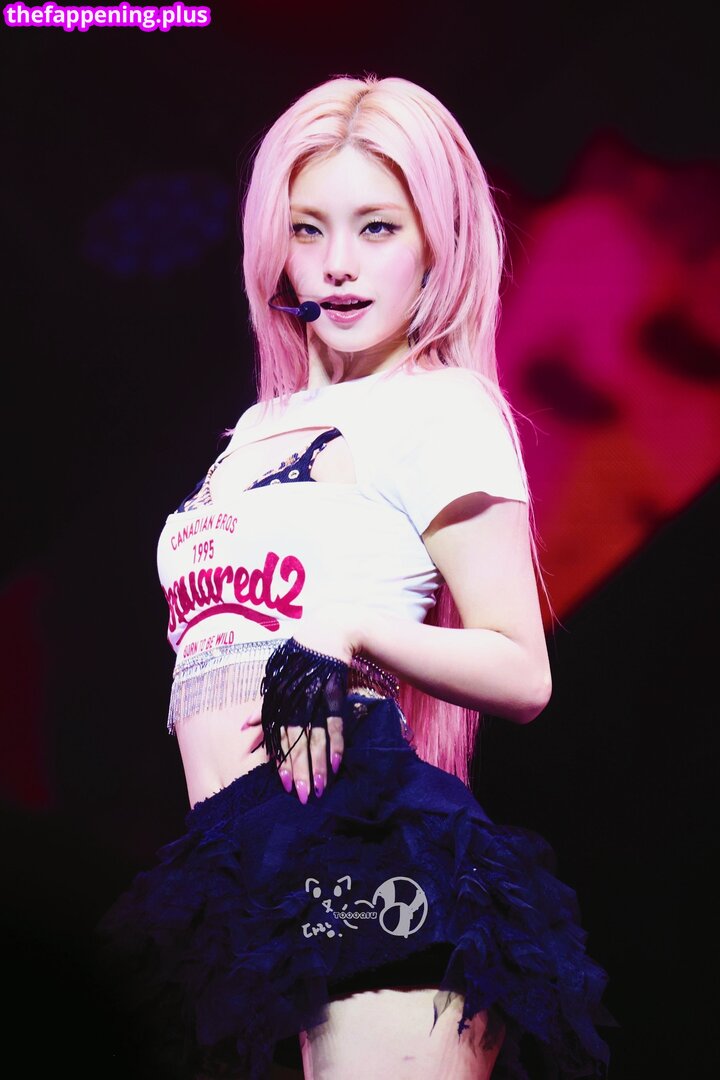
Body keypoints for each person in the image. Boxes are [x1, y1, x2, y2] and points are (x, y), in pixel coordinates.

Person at [95, 74, 616, 1080]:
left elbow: (523, 671)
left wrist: (349, 631)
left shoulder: (441, 408)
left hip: (366, 852)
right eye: (308, 229)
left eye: (377, 227)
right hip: (237, 871)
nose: (336, 264)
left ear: (436, 243)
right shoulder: (256, 430)